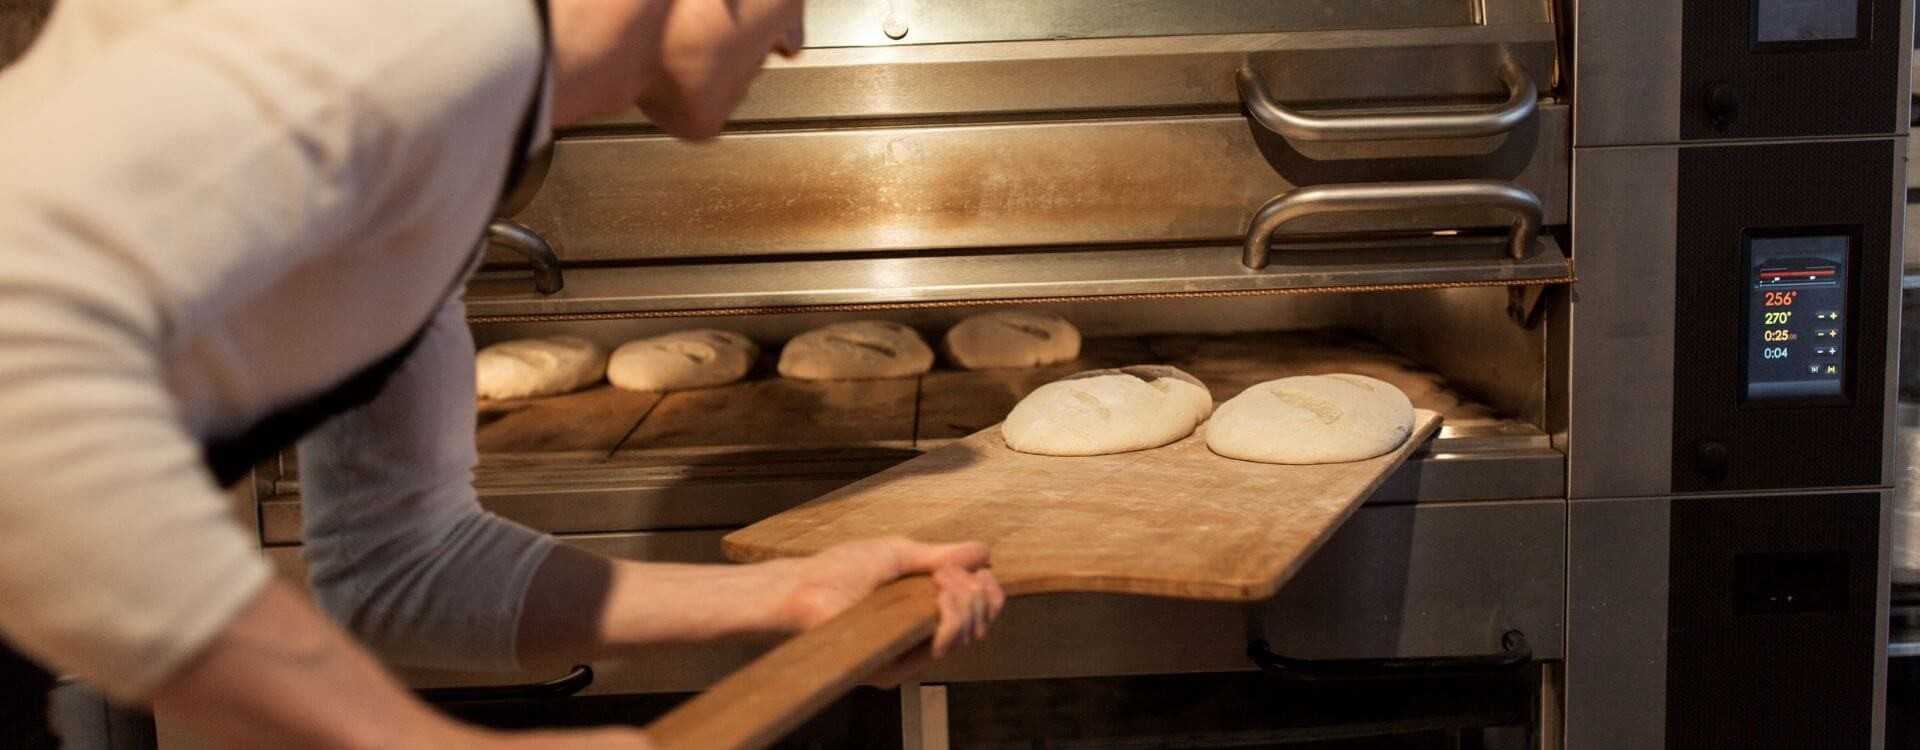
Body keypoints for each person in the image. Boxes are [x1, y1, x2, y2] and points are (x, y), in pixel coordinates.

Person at [0, 0, 1005, 746]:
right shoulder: (436, 30)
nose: (792, 38)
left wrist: (793, 596)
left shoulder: (470, 135)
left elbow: (399, 565)